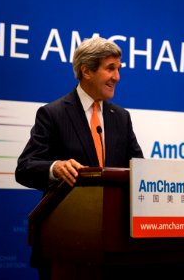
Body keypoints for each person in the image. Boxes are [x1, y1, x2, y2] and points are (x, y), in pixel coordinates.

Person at [15, 36, 144, 279]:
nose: (117, 76)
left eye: (118, 69)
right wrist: (55, 167)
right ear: (86, 70)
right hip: (66, 243)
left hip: (116, 247)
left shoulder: (120, 117)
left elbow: (139, 170)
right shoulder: (52, 114)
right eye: (110, 68)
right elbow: (24, 168)